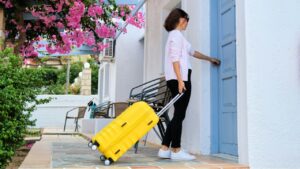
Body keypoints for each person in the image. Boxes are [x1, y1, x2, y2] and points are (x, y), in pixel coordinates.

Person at [158, 8, 220, 161]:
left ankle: (165, 148)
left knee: (178, 113)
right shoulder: (176, 36)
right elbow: (175, 59)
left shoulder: (178, 37)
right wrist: (180, 81)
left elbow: (193, 52)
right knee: (180, 114)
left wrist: (210, 58)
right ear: (180, 20)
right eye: (186, 20)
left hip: (177, 78)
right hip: (180, 79)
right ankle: (177, 150)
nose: (187, 24)